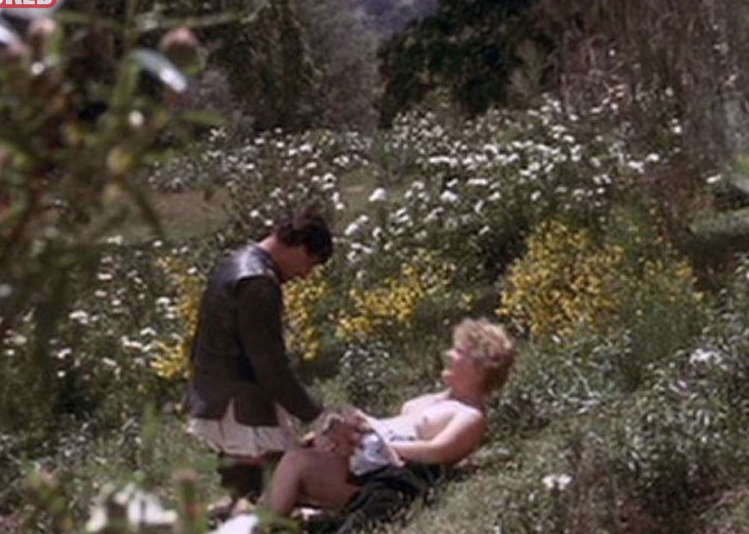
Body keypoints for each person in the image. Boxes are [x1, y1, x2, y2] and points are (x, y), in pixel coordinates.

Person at [264, 318, 516, 517]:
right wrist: (364, 424)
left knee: (297, 461)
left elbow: (437, 452)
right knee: (307, 442)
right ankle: (262, 518)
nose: (449, 354)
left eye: (459, 352)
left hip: (378, 474)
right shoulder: (440, 398)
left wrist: (377, 442)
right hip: (365, 454)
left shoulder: (469, 415)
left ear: (479, 367)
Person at [187, 208, 335, 501]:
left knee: (253, 480)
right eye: (309, 263)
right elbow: (269, 364)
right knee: (263, 481)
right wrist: (315, 415)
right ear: (299, 246)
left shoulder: (238, 263)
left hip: (220, 387)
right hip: (238, 395)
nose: (305, 275)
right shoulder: (257, 282)